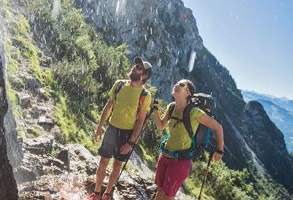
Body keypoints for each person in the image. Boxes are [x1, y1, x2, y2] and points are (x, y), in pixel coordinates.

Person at [87, 57, 153, 200]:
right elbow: (108, 106)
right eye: (135, 65)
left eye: (139, 67)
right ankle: (97, 193)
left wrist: (131, 142)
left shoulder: (145, 95)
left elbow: (140, 121)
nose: (134, 68)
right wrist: (99, 126)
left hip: (127, 134)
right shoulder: (119, 85)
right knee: (103, 161)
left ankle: (108, 193)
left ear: (145, 76)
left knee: (117, 165)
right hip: (112, 129)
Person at [152, 79, 224, 200]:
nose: (176, 85)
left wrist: (220, 149)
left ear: (188, 93)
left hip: (180, 161)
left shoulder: (194, 112)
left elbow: (218, 127)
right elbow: (161, 126)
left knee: (168, 196)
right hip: (165, 155)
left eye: (181, 85)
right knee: (160, 190)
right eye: (176, 83)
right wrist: (155, 110)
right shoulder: (171, 107)